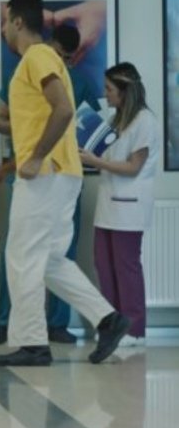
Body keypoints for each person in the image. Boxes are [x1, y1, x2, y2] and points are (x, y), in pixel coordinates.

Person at [0, 0, 129, 367]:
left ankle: (32, 344)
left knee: (22, 256)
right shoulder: (44, 59)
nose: (4, 30)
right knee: (50, 259)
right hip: (61, 173)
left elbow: (64, 109)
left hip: (47, 174)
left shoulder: (37, 57)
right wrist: (12, 166)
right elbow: (42, 120)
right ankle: (108, 319)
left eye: (6, 22)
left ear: (18, 21)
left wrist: (36, 157)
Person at [0, 24, 96, 345]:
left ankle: (50, 328)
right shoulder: (34, 64)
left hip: (54, 170)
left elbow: (82, 121)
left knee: (47, 255)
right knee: (25, 254)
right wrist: (26, 131)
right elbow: (0, 120)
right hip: (41, 169)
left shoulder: (73, 78)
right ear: (52, 45)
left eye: (69, 58)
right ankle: (12, 324)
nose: (63, 62)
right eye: (61, 54)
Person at [80, 62, 161, 347]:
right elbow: (105, 155)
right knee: (104, 265)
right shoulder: (115, 121)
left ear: (125, 91)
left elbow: (133, 167)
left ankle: (134, 330)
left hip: (130, 204)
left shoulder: (145, 122)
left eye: (109, 89)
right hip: (108, 203)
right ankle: (112, 325)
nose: (105, 94)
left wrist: (95, 161)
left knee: (126, 267)